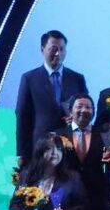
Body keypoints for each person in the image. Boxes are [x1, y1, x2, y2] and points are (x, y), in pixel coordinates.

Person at [15, 30, 89, 164]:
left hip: (72, 146)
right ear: (42, 49)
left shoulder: (77, 78)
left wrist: (77, 118)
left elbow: (88, 109)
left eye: (62, 49)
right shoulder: (29, 78)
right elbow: (22, 116)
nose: (58, 53)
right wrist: (22, 153)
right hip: (40, 146)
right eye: (53, 49)